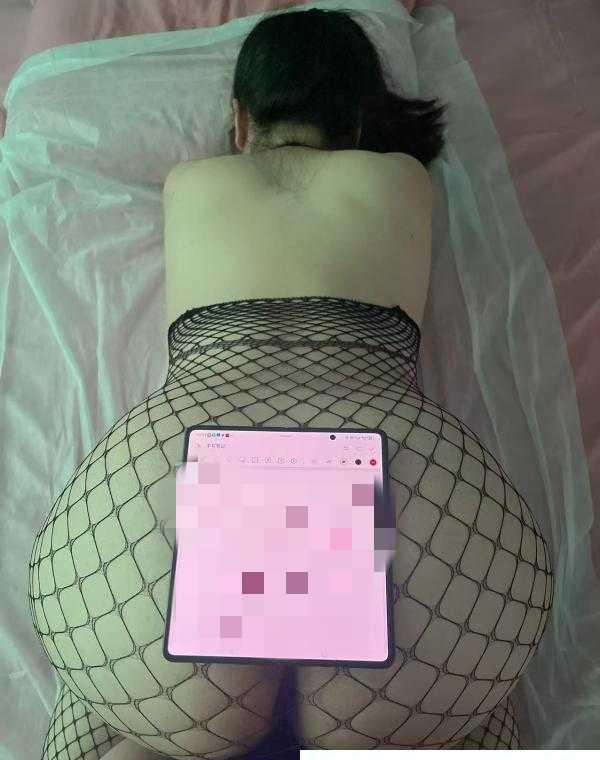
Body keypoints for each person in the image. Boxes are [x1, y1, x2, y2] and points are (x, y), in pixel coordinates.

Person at [28, 8, 552, 759]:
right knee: (477, 712)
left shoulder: (191, 181)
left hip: (195, 447)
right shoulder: (402, 179)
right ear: (359, 124)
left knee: (104, 704)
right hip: (381, 454)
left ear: (239, 121)